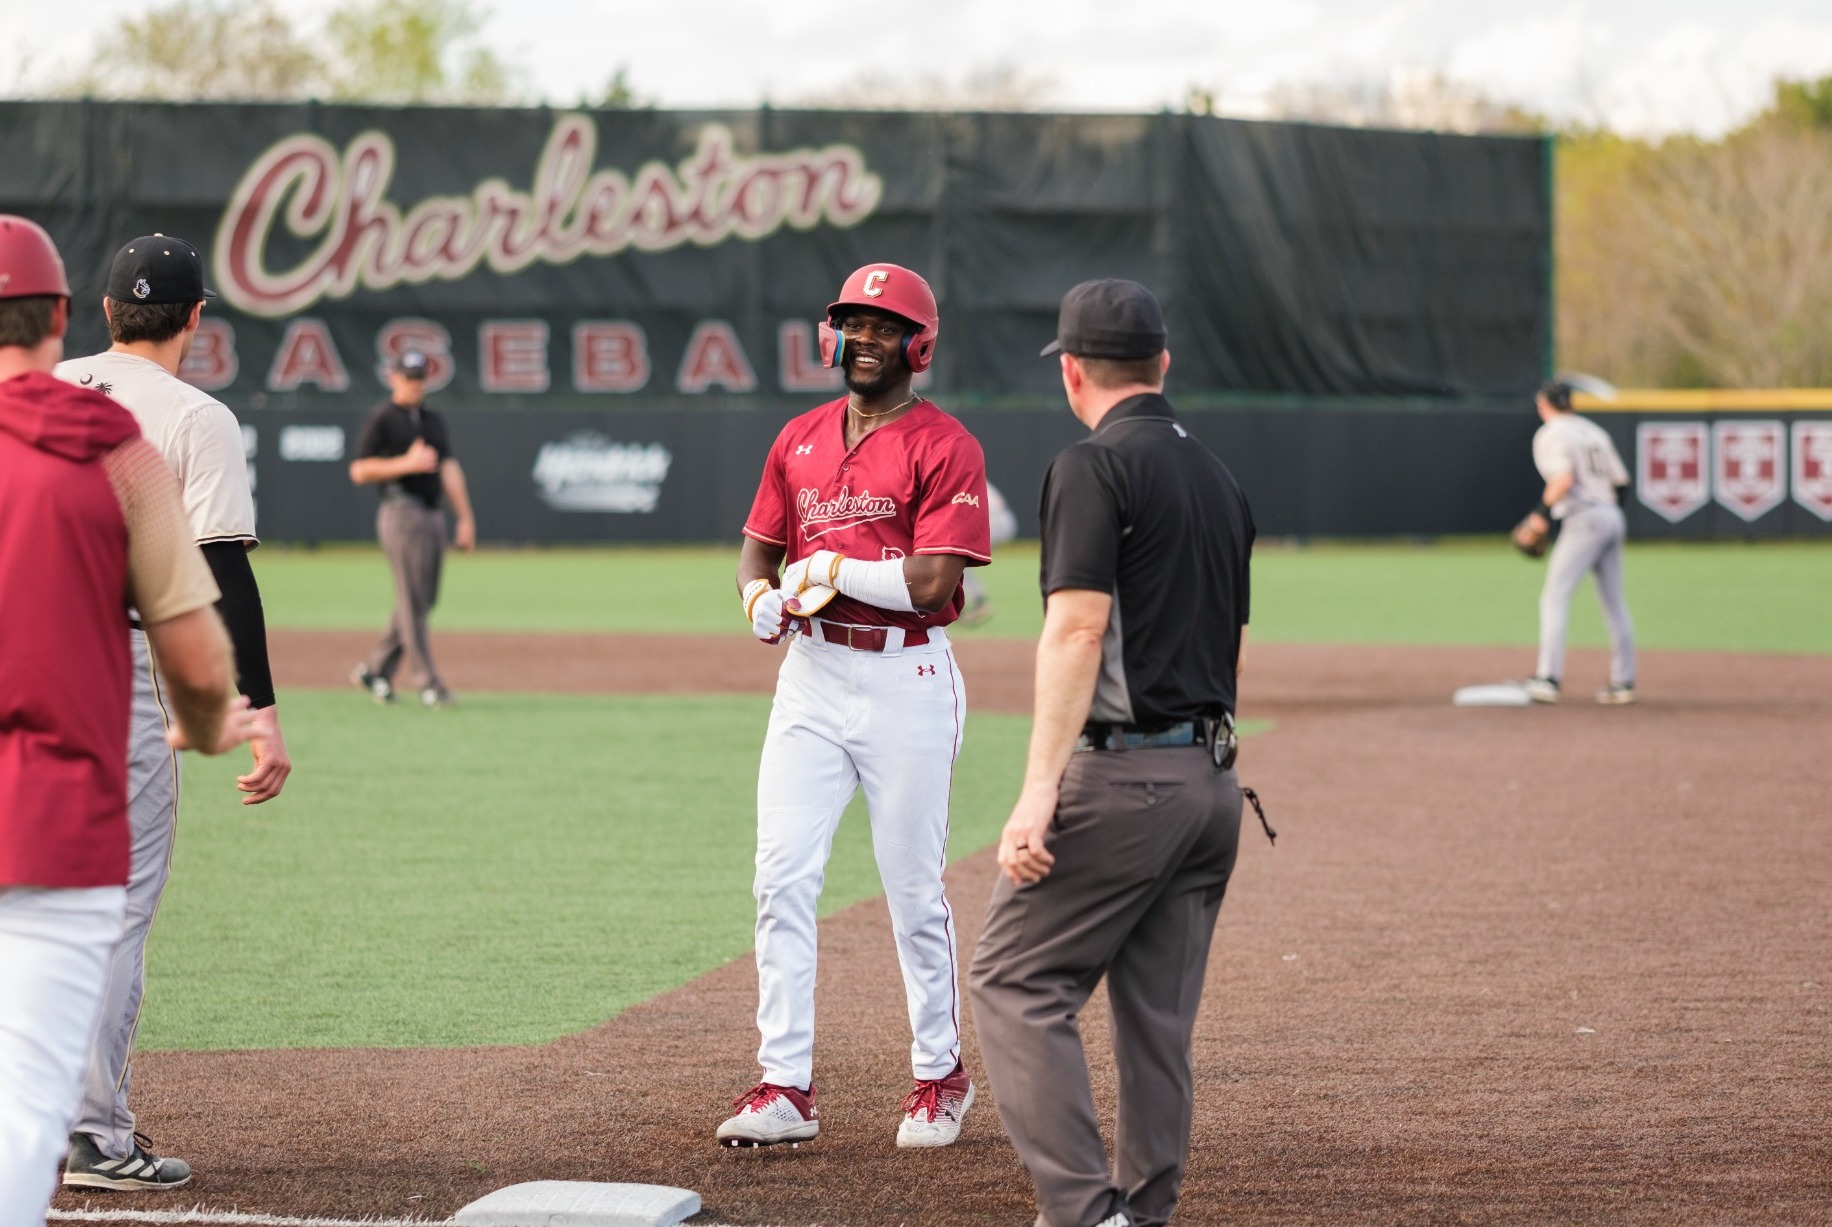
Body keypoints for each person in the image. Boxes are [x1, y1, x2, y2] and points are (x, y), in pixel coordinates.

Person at [968, 279, 1255, 1227]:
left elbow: (1077, 631)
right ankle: (1143, 1212)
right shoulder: (1218, 476)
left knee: (1014, 980)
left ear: (1073, 372)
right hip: (1212, 785)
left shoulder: (1093, 465)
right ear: (1164, 364)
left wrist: (1035, 792)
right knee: (1156, 1023)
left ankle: (1086, 1216)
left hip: (1125, 776)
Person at [0, 214, 251, 1227]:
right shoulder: (136, 437)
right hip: (94, 713)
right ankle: (95, 1134)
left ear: (102, 315)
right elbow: (200, 619)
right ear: (62, 313)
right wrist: (214, 713)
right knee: (100, 926)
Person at [722, 263, 991, 1150]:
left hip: (906, 678)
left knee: (911, 889)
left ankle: (939, 1074)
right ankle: (785, 1085)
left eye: (884, 325)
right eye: (853, 322)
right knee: (780, 877)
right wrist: (758, 598)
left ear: (918, 343)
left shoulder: (945, 443)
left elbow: (929, 583)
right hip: (811, 675)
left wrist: (830, 571)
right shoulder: (798, 437)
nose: (866, 338)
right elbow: (756, 556)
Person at [54, 232, 292, 1191]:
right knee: (111, 900)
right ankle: (93, 1134)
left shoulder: (33, 387)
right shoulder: (196, 416)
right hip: (115, 664)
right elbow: (223, 572)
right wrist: (260, 709)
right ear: (196, 317)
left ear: (107, 312)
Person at [348, 349, 476, 708]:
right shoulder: (383, 418)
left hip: (432, 512)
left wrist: (465, 518)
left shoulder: (432, 419)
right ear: (393, 378)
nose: (414, 384)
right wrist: (406, 463)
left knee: (423, 599)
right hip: (401, 511)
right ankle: (428, 682)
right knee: (412, 599)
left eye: (419, 377)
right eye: (408, 377)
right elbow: (359, 470)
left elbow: (449, 468)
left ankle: (375, 670)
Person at [1512, 379, 1636, 705]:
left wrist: (1539, 516)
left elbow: (1563, 478)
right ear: (1573, 404)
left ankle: (1548, 678)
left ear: (1543, 405)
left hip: (1584, 518)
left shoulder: (1552, 433)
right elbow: (1622, 484)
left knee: (1555, 596)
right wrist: (1609, 517)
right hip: (1611, 514)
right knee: (1614, 602)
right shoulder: (1594, 431)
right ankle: (1623, 682)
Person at [956, 480, 1018, 626]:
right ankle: (969, 602)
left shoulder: (963, 481)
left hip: (994, 523)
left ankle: (977, 603)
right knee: (957, 557)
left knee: (957, 556)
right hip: (1003, 521)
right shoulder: (972, 477)